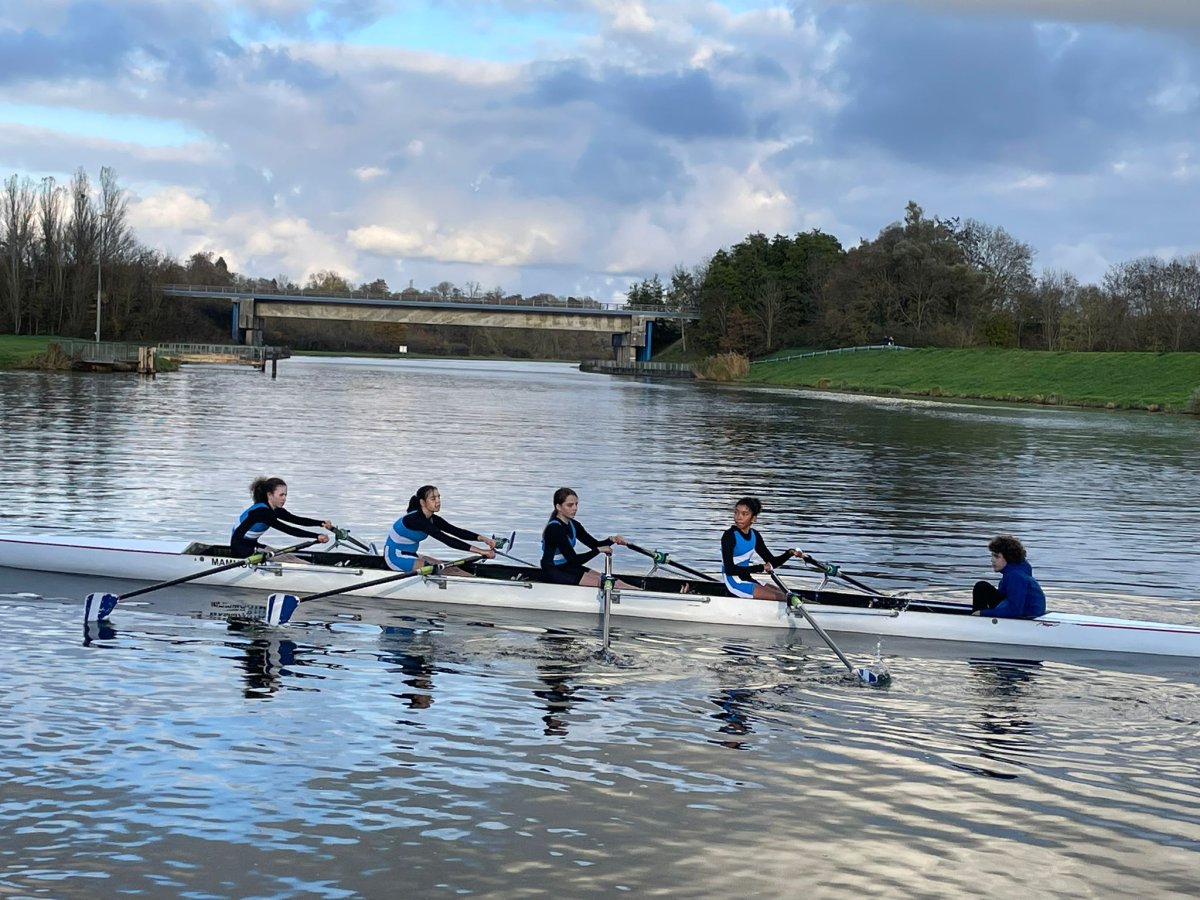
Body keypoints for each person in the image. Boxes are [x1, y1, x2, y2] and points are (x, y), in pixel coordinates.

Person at [385, 485, 496, 573]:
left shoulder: (432, 519)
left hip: (411, 555)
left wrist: (485, 539)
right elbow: (447, 540)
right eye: (433, 498)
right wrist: (481, 551)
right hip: (395, 557)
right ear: (422, 502)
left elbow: (457, 531)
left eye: (438, 497)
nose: (438, 501)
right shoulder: (415, 520)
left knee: (452, 569)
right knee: (441, 570)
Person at [540, 487, 629, 587]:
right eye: (570, 505)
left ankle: (638, 591)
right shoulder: (554, 529)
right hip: (553, 571)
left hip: (567, 567)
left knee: (613, 581)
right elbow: (574, 560)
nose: (575, 508)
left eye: (576, 504)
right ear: (558, 507)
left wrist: (612, 539)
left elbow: (594, 544)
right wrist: (598, 550)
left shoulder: (574, 525)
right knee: (609, 583)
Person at [721, 496, 802, 602]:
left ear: (753, 518)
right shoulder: (729, 536)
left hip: (747, 579)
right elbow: (729, 569)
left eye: (744, 514)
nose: (738, 517)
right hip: (734, 582)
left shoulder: (755, 535)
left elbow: (772, 562)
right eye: (736, 512)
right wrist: (761, 567)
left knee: (788, 594)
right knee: (786, 598)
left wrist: (790, 553)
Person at [230, 476, 332, 558]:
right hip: (241, 549)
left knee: (290, 558)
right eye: (281, 495)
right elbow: (289, 530)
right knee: (289, 560)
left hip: (252, 545)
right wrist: (316, 536)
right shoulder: (262, 512)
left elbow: (297, 520)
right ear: (269, 495)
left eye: (285, 495)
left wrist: (321, 523)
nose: (284, 499)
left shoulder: (275, 509)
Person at [973, 535, 1047, 618]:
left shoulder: (1016, 577)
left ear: (1009, 558)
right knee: (984, 588)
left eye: (997, 556)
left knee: (981, 587)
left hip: (1027, 618)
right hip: (1020, 611)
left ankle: (977, 619)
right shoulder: (1014, 572)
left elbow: (1014, 611)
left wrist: (983, 613)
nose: (992, 560)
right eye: (992, 556)